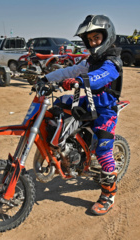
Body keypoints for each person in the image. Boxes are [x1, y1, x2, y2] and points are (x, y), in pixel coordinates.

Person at [40, 15, 123, 215]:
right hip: (89, 103)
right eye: (90, 39)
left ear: (107, 36)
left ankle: (108, 195)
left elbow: (99, 77)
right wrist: (45, 79)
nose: (93, 42)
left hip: (105, 111)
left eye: (97, 38)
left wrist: (79, 81)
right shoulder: (91, 61)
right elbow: (71, 70)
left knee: (103, 152)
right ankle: (68, 147)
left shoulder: (113, 62)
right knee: (58, 106)